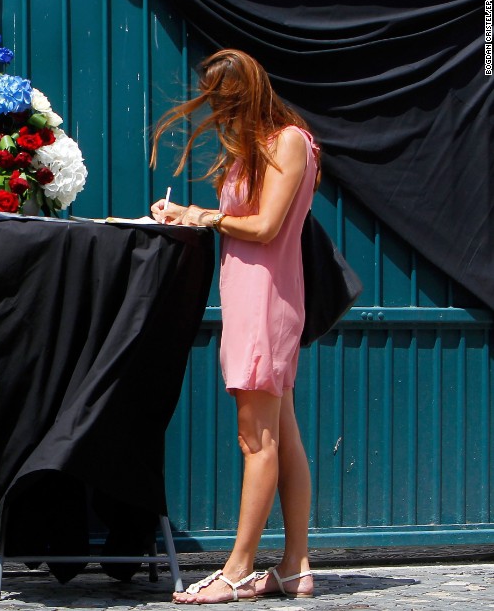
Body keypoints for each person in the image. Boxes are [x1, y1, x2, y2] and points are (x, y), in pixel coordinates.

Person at [149, 48, 320, 604]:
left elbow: (267, 225)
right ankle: (294, 567)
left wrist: (204, 216)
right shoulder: (257, 149)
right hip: (255, 299)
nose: (220, 118)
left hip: (265, 302)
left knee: (257, 441)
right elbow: (248, 220)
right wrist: (186, 216)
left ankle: (237, 569)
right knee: (283, 436)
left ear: (246, 96)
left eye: (225, 106)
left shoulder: (287, 141)